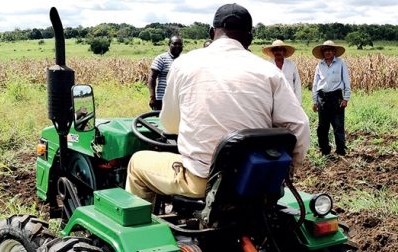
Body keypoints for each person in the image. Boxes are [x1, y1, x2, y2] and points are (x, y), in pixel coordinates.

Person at [126, 3, 310, 203]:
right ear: (250, 37)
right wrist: (285, 169)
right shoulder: (270, 71)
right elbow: (299, 125)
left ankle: (144, 225)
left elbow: (170, 126)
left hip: (203, 180)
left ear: (211, 32)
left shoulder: (184, 64)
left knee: (136, 163)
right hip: (255, 179)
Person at [311, 40, 351, 156]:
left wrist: (346, 98)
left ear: (334, 52)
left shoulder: (340, 63)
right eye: (325, 50)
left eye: (330, 50)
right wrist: (315, 101)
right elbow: (315, 84)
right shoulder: (319, 65)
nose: (328, 52)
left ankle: (340, 150)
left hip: (336, 97)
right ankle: (324, 150)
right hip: (322, 97)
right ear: (323, 52)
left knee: (338, 125)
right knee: (322, 126)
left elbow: (346, 81)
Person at [148, 35, 183, 110]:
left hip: (179, 99)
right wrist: (152, 97)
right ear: (169, 44)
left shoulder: (184, 59)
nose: (177, 46)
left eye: (180, 44)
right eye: (175, 44)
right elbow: (152, 78)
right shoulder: (161, 58)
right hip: (162, 99)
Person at [262, 40, 302, 104]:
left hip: (290, 100)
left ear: (284, 51)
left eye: (280, 50)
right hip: (273, 100)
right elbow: (264, 85)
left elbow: (297, 84)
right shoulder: (268, 65)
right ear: (272, 51)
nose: (278, 52)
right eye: (275, 50)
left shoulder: (291, 65)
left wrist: (299, 102)